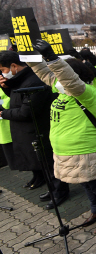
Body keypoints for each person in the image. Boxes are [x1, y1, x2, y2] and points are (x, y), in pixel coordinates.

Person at [29, 41, 96, 234]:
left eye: (62, 75)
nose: (57, 80)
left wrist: (52, 58)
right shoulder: (63, 91)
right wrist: (30, 57)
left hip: (84, 149)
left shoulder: (85, 93)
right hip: (66, 150)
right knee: (86, 183)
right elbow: (46, 74)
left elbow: (68, 80)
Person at [0, 51, 69, 209]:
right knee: (43, 165)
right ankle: (53, 190)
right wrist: (5, 88)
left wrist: (4, 113)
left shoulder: (33, 81)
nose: (3, 74)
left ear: (14, 66)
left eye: (3, 70)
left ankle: (60, 192)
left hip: (40, 130)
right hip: (31, 131)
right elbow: (18, 99)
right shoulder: (22, 79)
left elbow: (27, 111)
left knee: (50, 164)